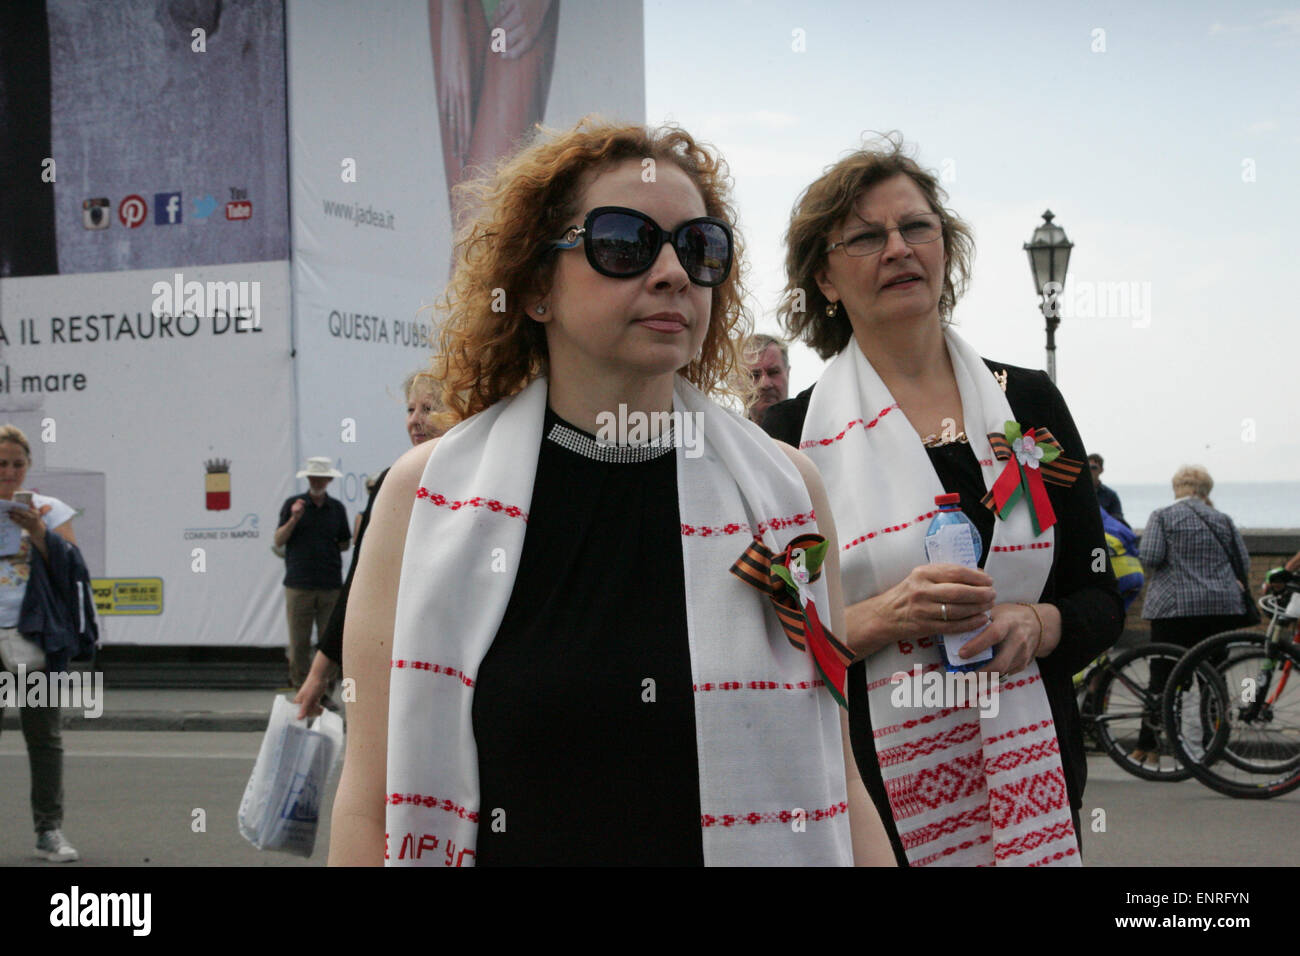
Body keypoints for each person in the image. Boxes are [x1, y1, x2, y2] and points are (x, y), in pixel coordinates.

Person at [330, 120, 894, 867]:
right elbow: (371, 802)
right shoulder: (423, 497)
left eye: (699, 246)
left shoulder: (788, 492)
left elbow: (840, 774)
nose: (671, 273)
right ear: (535, 287)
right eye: (624, 242)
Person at [762, 134, 1123, 866]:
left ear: (944, 250)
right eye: (866, 236)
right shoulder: (787, 439)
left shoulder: (1026, 404)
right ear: (825, 280)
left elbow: (1099, 597)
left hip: (1036, 778)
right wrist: (878, 619)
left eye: (916, 227)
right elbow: (767, 648)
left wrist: (1038, 621)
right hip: (872, 800)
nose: (898, 248)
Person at [294, 373, 446, 719]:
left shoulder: (482, 480)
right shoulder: (396, 481)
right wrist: (319, 673)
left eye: (429, 408)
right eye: (410, 409)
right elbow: (361, 584)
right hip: (399, 656)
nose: (415, 420)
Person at [0, 425, 90, 862]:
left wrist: (37, 531)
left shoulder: (50, 509)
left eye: (18, 463)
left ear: (28, 465)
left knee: (43, 736)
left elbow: (72, 568)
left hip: (34, 638)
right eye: (1, 463)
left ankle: (48, 830)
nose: (10, 471)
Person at [1133, 465, 1254, 763]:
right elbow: (1245, 564)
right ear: (1206, 491)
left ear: (1177, 488)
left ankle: (1148, 746)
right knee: (1214, 676)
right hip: (1220, 609)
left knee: (1162, 678)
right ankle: (1215, 744)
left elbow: (1150, 557)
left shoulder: (1162, 516)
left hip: (1174, 610)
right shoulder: (1223, 520)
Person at [274, 458, 351, 689]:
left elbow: (345, 542)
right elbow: (278, 540)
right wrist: (294, 519)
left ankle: (324, 690)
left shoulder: (336, 508)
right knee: (299, 642)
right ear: (308, 479)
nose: (316, 481)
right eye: (313, 478)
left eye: (321, 478)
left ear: (328, 480)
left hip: (330, 584)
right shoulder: (293, 505)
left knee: (330, 642)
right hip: (299, 585)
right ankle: (300, 687)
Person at [744, 333, 790, 424]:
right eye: (755, 375)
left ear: (788, 374)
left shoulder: (813, 431)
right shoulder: (725, 435)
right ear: (739, 381)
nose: (765, 384)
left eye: (773, 372)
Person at [1088, 454, 1126, 526]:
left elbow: (1118, 518)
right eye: (1088, 467)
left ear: (1101, 470)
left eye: (1094, 467)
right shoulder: (1078, 492)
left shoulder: (1111, 495)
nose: (1090, 470)